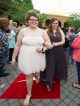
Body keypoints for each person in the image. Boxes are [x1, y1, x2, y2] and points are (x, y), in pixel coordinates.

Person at [11, 12, 52, 106]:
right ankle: (29, 94)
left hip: (39, 56)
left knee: (37, 72)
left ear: (38, 21)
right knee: (28, 75)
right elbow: (17, 45)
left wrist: (43, 48)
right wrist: (13, 58)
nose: (34, 21)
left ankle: (37, 76)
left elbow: (49, 44)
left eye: (36, 20)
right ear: (27, 21)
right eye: (32, 19)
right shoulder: (23, 31)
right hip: (26, 56)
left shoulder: (42, 31)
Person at [41, 18, 68, 91]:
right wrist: (47, 44)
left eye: (56, 23)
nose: (55, 25)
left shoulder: (60, 30)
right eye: (54, 23)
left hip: (59, 51)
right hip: (50, 51)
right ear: (50, 24)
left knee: (58, 65)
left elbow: (63, 41)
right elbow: (42, 41)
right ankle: (48, 83)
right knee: (50, 66)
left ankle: (55, 76)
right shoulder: (46, 31)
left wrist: (56, 44)